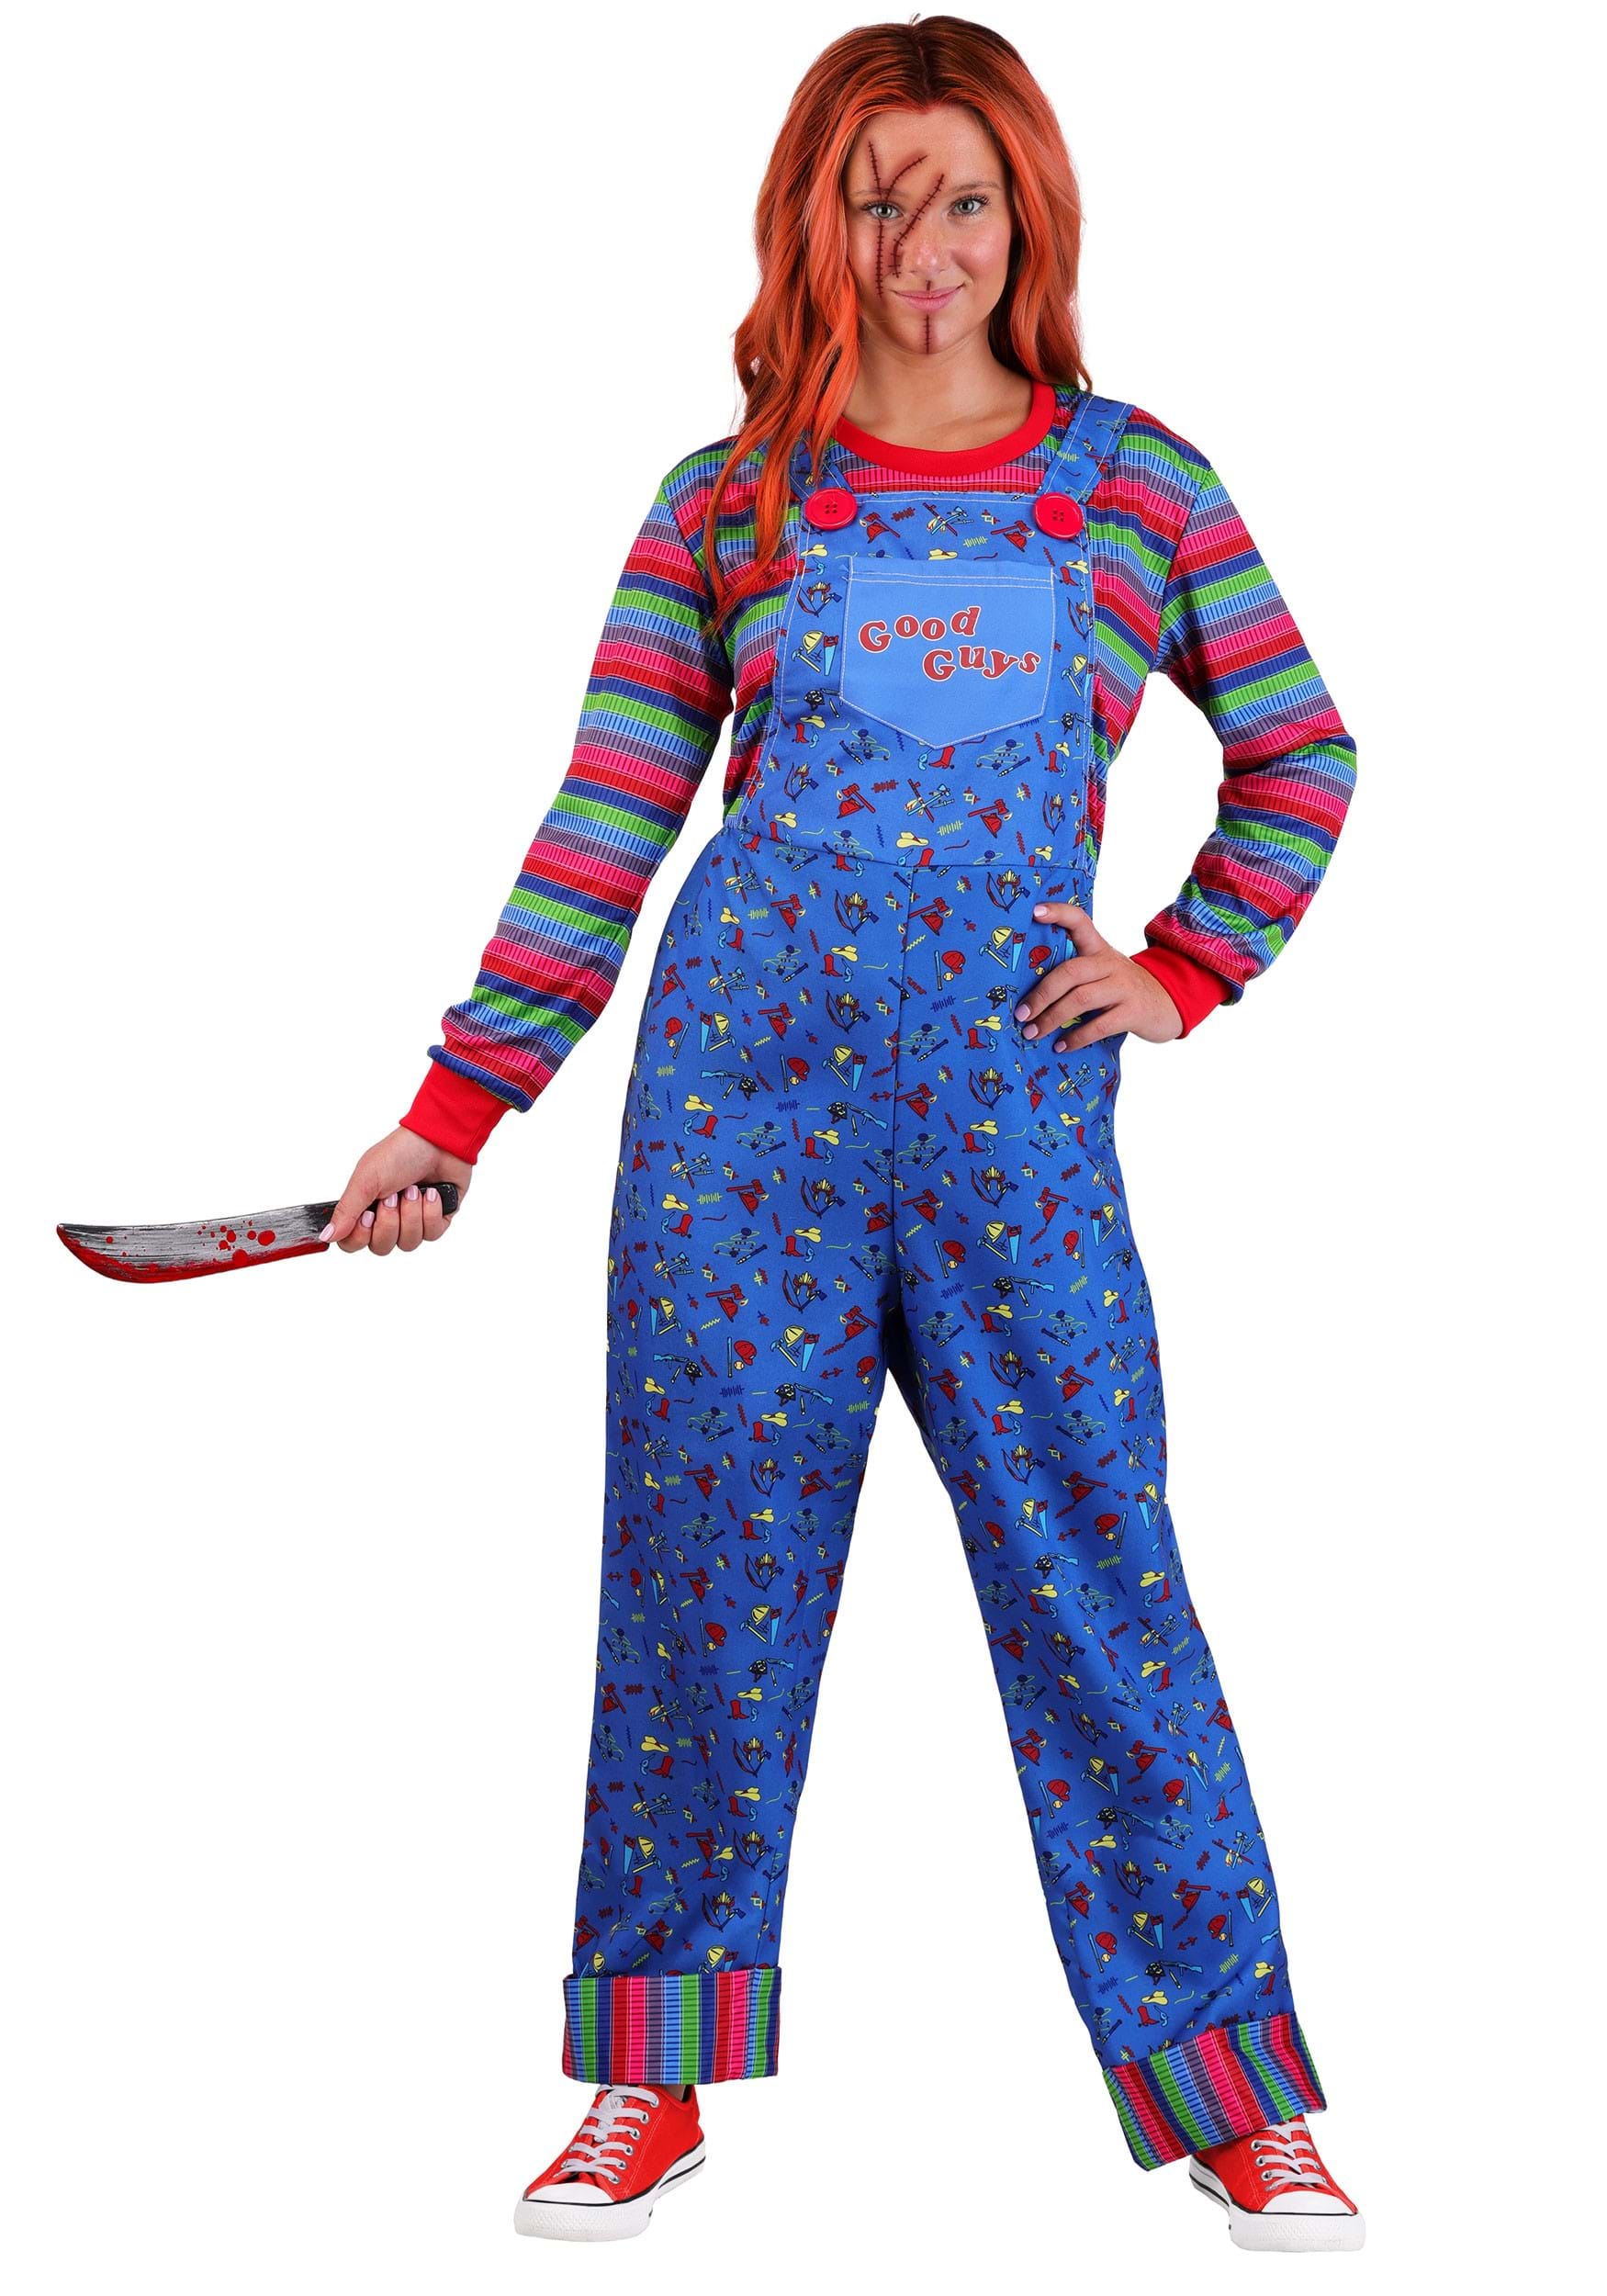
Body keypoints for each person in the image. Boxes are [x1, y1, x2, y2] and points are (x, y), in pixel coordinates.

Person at [320, 14, 1363, 2257]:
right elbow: (604, 829)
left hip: (1015, 1136)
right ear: (814, 219)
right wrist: (452, 1109)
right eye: (876, 199)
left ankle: (1233, 2092)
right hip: (737, 1121)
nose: (921, 245)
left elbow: (1300, 752)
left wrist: (1180, 967)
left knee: (1099, 1584)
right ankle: (648, 2073)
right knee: (699, 1588)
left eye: (963, 197)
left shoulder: (1139, 486)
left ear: (1027, 219)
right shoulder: (726, 502)